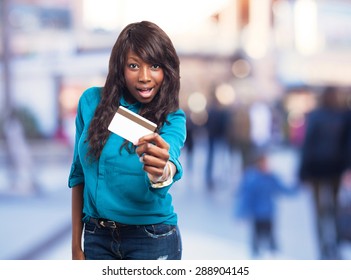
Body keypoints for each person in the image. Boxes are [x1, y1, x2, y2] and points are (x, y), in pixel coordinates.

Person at [68, 21, 186, 260]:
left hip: (151, 240)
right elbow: (78, 174)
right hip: (96, 237)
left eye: (154, 65)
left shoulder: (172, 118)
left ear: (167, 70)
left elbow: (168, 162)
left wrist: (160, 169)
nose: (144, 77)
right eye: (134, 65)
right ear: (119, 67)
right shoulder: (90, 102)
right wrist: (75, 245)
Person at [298, 86, 348, 259]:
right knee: (332, 208)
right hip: (333, 167)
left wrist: (303, 170)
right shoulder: (342, 115)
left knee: (321, 210)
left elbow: (308, 144)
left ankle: (324, 244)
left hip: (319, 167)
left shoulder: (319, 115)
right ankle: (331, 243)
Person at [235, 149, 297, 258]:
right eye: (263, 162)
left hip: (269, 213)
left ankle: (272, 249)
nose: (266, 165)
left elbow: (283, 188)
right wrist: (241, 213)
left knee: (270, 233)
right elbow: (246, 198)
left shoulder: (271, 177)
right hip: (257, 215)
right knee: (257, 235)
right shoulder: (252, 179)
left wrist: (296, 188)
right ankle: (256, 251)